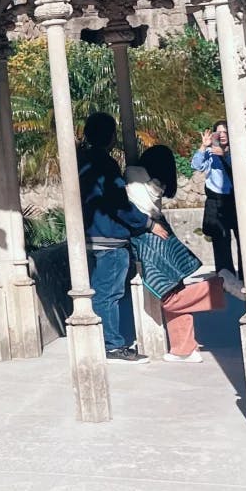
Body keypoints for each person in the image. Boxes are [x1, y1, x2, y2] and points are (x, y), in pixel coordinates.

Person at [125, 145, 245, 362]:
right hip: (162, 231)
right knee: (175, 287)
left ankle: (219, 283)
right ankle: (184, 347)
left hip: (149, 237)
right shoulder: (159, 185)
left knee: (169, 297)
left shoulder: (134, 175)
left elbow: (128, 209)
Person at [78, 112, 169, 364]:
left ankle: (106, 341)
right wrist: (147, 223)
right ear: (110, 137)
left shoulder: (81, 161)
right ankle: (112, 345)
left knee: (102, 290)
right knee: (109, 292)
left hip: (91, 234)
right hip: (110, 237)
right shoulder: (104, 165)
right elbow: (118, 203)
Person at [192, 121, 242, 282]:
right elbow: (196, 165)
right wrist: (203, 147)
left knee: (244, 240)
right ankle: (225, 279)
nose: (222, 135)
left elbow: (240, 170)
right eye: (218, 132)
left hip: (237, 200)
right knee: (220, 241)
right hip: (216, 200)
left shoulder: (237, 151)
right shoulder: (209, 153)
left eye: (225, 132)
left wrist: (224, 155)